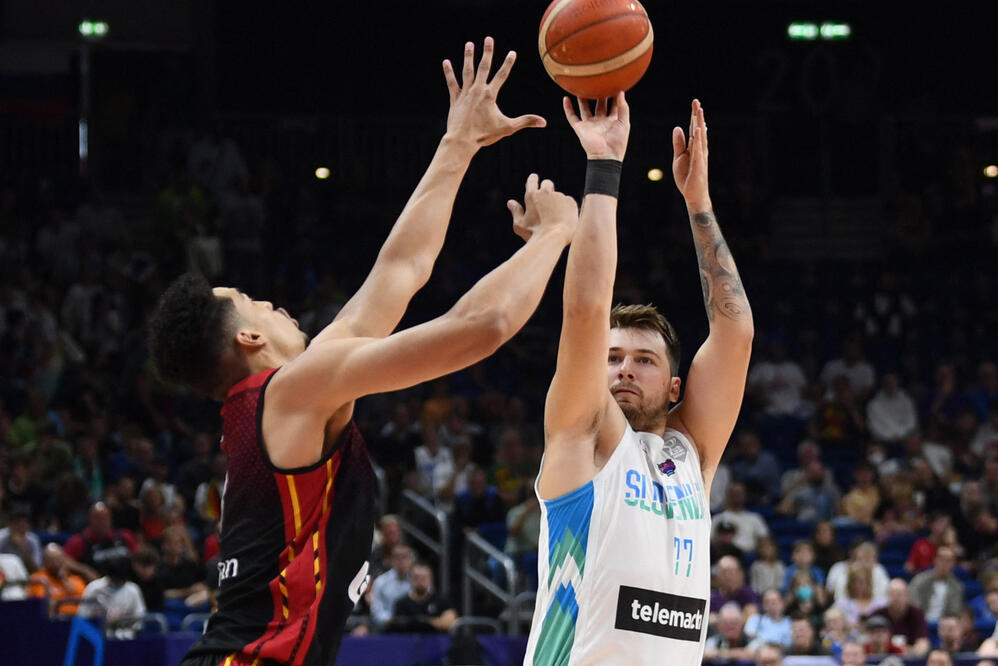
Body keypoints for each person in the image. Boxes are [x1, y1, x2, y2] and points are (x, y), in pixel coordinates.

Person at [161, 38, 577, 666]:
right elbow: (481, 325)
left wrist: (458, 142)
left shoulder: (288, 399)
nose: (273, 304)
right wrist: (554, 235)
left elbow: (400, 272)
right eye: (254, 301)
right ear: (248, 339)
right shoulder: (295, 391)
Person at [524, 97, 754, 665]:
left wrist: (697, 201)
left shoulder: (691, 452)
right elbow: (584, 311)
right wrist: (604, 167)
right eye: (613, 358)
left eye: (645, 360)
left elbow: (736, 331)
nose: (624, 367)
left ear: (675, 389)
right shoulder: (585, 439)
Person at [386, 561, 457, 633]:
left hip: (437, 641)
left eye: (423, 578)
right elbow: (396, 625)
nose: (420, 581)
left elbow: (450, 623)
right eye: (416, 577)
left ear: (431, 579)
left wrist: (425, 622)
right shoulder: (401, 604)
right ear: (410, 579)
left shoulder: (442, 600)